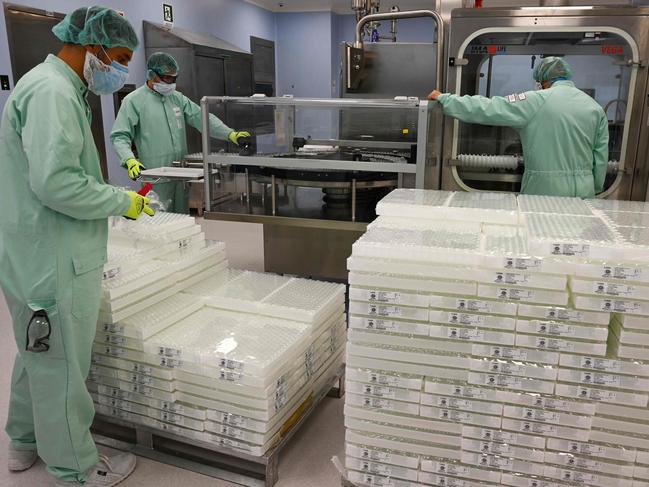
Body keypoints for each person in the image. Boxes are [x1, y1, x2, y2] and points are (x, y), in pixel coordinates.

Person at [0, 6, 154, 486]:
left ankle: (24, 442)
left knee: (36, 351)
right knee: (63, 362)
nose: (122, 69)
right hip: (55, 257)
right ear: (94, 45)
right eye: (120, 57)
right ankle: (76, 469)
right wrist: (121, 202)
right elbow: (57, 183)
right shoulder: (52, 92)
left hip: (33, 248)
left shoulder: (53, 86)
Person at [428, 57, 609, 197]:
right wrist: (592, 187)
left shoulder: (536, 101)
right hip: (585, 192)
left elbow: (489, 108)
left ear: (543, 81)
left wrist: (446, 99)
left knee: (541, 241)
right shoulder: (594, 107)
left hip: (546, 191)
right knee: (572, 245)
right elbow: (600, 160)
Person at [110, 52, 251, 213]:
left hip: (181, 175)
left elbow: (201, 118)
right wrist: (129, 160)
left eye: (174, 78)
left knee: (182, 222)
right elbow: (120, 135)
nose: (171, 83)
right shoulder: (133, 101)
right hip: (156, 179)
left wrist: (229, 134)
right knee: (159, 222)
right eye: (167, 78)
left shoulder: (177, 98)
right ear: (151, 75)